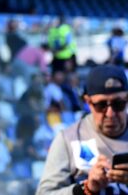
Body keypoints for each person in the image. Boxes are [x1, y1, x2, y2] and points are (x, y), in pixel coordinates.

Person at [37, 65, 128, 194]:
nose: (110, 113)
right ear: (88, 102)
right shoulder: (69, 139)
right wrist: (86, 188)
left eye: (118, 104)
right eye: (101, 105)